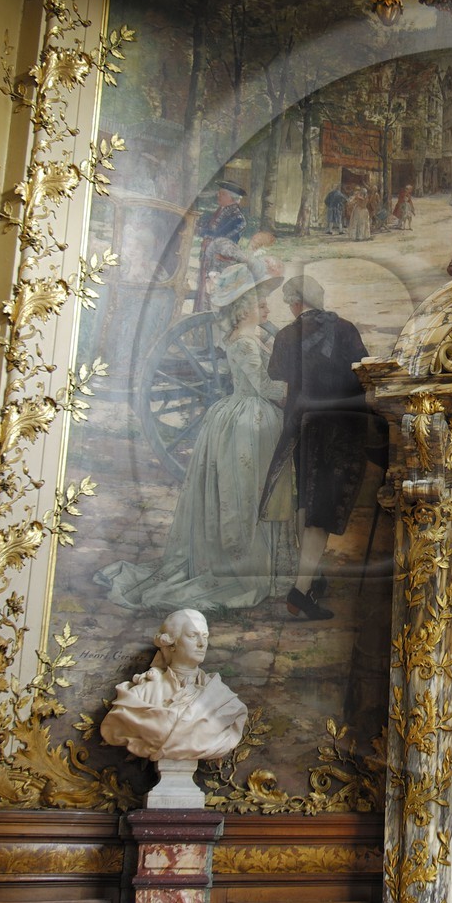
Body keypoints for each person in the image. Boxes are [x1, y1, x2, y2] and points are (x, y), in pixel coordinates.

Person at [99, 270, 292, 612]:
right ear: (243, 307)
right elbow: (266, 387)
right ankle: (244, 567)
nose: (264, 304)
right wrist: (298, 390)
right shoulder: (246, 341)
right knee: (249, 493)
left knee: (254, 492)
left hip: (244, 415)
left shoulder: (245, 334)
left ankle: (256, 564)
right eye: (256, 300)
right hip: (249, 419)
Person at [259, 275, 376, 621]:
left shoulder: (284, 335)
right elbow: (365, 373)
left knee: (305, 500)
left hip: (302, 425)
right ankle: (301, 589)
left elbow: (279, 375)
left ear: (296, 304)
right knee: (320, 508)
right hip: (340, 427)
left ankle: (309, 578)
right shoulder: (346, 330)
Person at [100, 608, 249, 763]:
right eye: (193, 636)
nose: (202, 643)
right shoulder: (141, 695)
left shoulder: (224, 699)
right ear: (171, 643)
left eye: (205, 636)